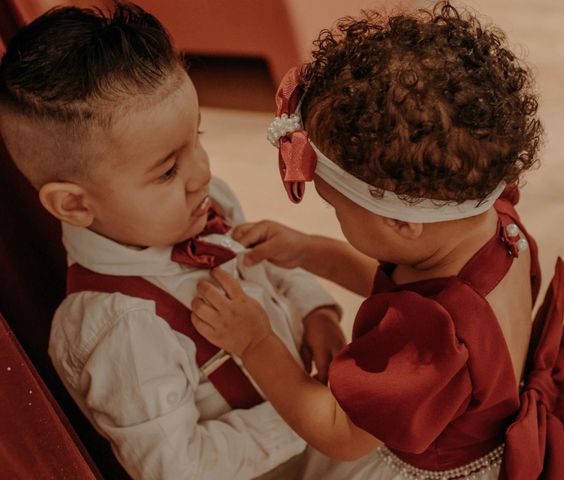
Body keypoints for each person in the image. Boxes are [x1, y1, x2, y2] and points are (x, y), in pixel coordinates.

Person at [191, 3, 564, 479]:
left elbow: (339, 433)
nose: (334, 218)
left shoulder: (428, 342)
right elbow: (409, 296)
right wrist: (309, 251)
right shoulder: (497, 222)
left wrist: (256, 340)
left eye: (335, 208)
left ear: (404, 224)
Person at [0, 3, 347, 479]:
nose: (202, 173)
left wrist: (316, 311)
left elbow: (263, 266)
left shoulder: (204, 202)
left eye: (198, 137)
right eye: (167, 169)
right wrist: (304, 412)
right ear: (75, 205)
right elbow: (176, 468)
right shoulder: (119, 328)